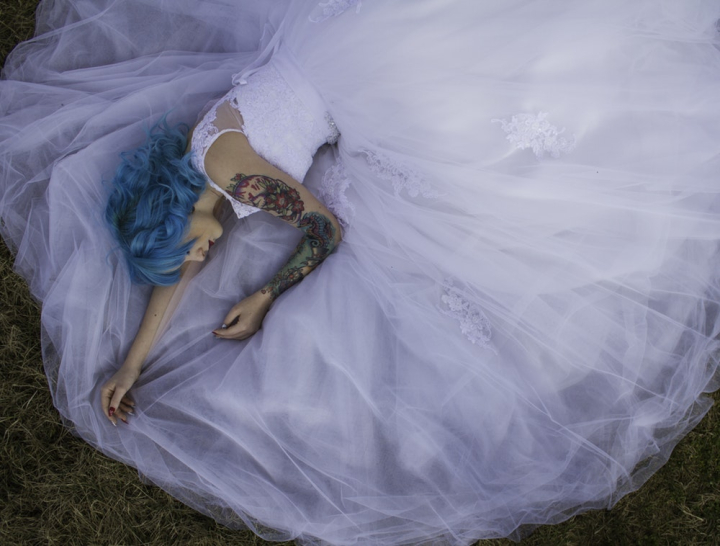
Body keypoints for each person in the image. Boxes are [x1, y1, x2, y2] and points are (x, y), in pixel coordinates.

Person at [1, 1, 720, 544]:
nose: (197, 262)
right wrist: (133, 364)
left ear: (178, 217)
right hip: (332, 54)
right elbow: (174, 279)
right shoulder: (203, 161)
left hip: (372, 84)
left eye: (187, 249)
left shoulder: (242, 182)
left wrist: (264, 293)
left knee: (486, 174)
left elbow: (326, 229)